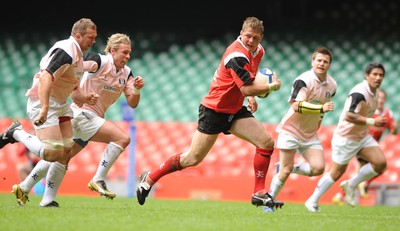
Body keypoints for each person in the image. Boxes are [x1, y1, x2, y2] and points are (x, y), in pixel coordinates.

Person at [135, 16, 284, 210]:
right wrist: (272, 86)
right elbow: (247, 88)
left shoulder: (258, 51)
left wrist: (251, 98)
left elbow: (248, 81)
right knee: (192, 159)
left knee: (266, 143)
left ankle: (259, 193)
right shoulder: (236, 55)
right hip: (214, 110)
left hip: (234, 110)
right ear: (241, 33)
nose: (251, 41)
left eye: (255, 38)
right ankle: (150, 178)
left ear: (261, 38)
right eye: (248, 36)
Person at [8, 33, 144, 207]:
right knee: (122, 138)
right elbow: (75, 69)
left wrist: (137, 90)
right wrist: (80, 94)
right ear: (112, 50)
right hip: (82, 114)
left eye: (129, 53)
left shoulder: (127, 73)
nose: (128, 56)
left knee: (61, 157)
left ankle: (28, 189)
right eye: (124, 52)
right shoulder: (99, 61)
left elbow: (132, 103)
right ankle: (98, 179)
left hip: (89, 118)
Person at [0, 18, 98, 207]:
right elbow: (46, 77)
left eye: (94, 37)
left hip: (60, 104)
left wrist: (85, 98)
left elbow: (73, 89)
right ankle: (16, 132)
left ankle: (47, 200)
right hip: (45, 103)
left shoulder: (77, 56)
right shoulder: (67, 51)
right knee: (53, 154)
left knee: (66, 151)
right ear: (77, 35)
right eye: (90, 37)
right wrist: (44, 107)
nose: (93, 41)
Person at [305, 61, 388, 212]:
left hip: (362, 136)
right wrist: (372, 121)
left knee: (380, 163)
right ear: (366, 75)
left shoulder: (375, 92)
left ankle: (352, 184)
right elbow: (350, 115)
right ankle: (312, 200)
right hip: (346, 138)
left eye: (381, 75)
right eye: (374, 74)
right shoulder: (359, 92)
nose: (378, 78)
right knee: (336, 172)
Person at [267, 47, 336, 204]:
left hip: (310, 134)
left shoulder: (332, 86)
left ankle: (290, 167)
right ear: (312, 62)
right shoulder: (303, 80)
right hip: (290, 131)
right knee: (284, 172)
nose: (321, 64)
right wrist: (320, 109)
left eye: (325, 61)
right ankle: (270, 201)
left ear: (329, 65)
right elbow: (296, 106)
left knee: (318, 168)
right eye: (318, 60)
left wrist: (319, 119)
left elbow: (322, 108)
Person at [332, 88, 398, 204]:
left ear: (386, 99)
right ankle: (358, 188)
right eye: (379, 97)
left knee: (363, 173)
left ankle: (341, 196)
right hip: (362, 144)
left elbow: (392, 131)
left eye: (383, 98)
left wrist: (394, 128)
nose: (381, 100)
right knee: (376, 168)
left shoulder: (388, 114)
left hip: (372, 147)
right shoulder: (370, 111)